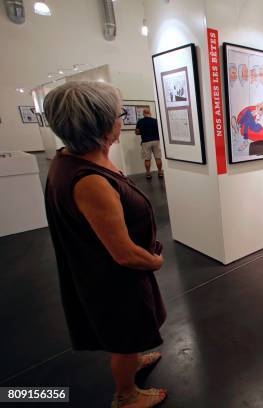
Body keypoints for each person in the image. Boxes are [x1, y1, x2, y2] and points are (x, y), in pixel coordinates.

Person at [44, 81, 167, 408]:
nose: (121, 120)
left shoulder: (74, 159)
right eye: (118, 114)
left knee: (130, 332)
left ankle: (133, 359)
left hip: (105, 273)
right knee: (125, 335)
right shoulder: (90, 181)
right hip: (112, 279)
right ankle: (126, 395)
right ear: (99, 124)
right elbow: (123, 253)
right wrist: (154, 262)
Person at [135, 108, 163, 179]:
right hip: (156, 141)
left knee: (147, 159)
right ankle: (160, 172)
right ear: (150, 113)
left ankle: (148, 173)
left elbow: (137, 132)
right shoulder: (155, 121)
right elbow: (160, 131)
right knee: (158, 157)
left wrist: (143, 132)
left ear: (143, 113)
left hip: (146, 141)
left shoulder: (140, 121)